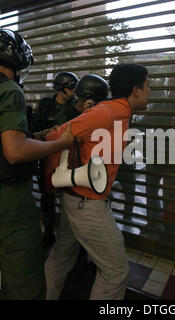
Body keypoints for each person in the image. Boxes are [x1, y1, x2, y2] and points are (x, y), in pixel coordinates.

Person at [0, 28, 75, 300]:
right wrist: (60, 144)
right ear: (15, 59)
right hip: (9, 207)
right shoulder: (9, 90)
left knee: (0, 278)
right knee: (27, 288)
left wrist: (38, 137)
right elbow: (14, 151)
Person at [44, 63, 150, 300]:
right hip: (87, 204)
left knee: (60, 258)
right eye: (148, 85)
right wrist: (53, 178)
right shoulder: (108, 112)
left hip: (77, 200)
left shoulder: (120, 113)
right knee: (116, 271)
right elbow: (56, 135)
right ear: (135, 90)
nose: (149, 90)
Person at [136, 77, 175, 236]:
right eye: (169, 88)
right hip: (155, 155)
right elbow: (145, 123)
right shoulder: (159, 105)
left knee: (169, 195)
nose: (171, 91)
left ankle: (169, 228)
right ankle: (155, 224)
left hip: (173, 159)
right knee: (151, 191)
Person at [33, 71, 79, 250]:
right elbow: (36, 129)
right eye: (70, 88)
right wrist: (48, 131)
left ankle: (70, 236)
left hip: (69, 159)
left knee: (69, 198)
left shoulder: (76, 106)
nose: (74, 92)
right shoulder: (45, 105)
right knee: (48, 198)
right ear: (61, 89)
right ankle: (49, 231)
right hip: (48, 158)